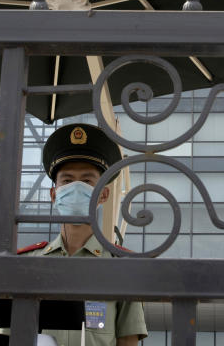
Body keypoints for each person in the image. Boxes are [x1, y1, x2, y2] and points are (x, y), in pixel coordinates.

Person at [16, 123, 147, 346]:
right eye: (67, 181)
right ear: (53, 194)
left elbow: (128, 340)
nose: (76, 187)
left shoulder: (123, 267)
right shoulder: (26, 263)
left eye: (87, 181)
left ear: (103, 194)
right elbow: (13, 335)